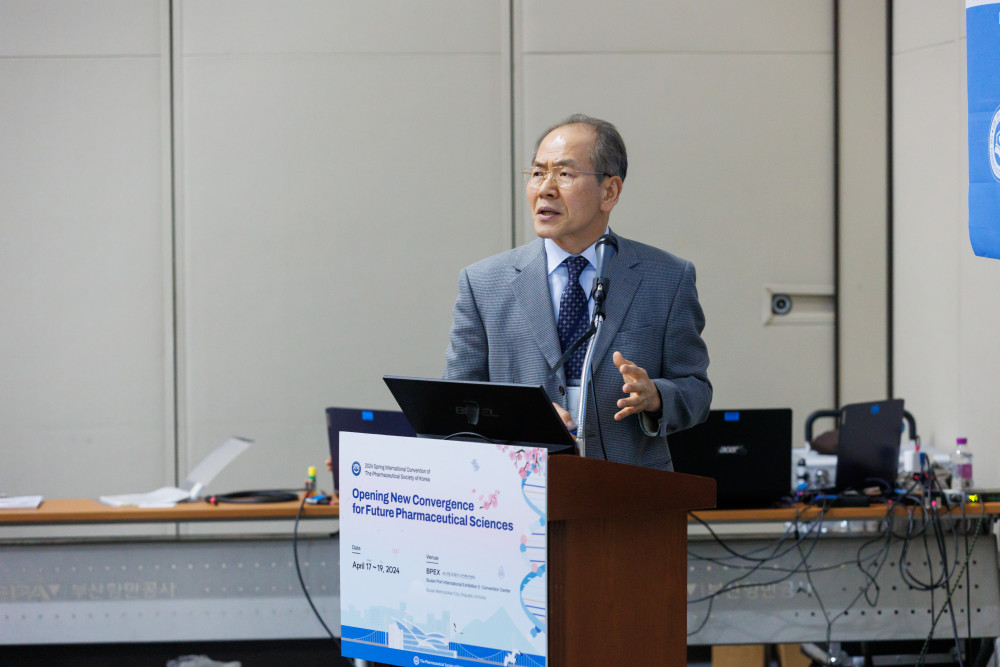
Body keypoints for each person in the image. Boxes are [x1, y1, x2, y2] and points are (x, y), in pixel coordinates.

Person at [443, 114, 712, 470]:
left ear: (609, 191)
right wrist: (518, 419)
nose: (545, 189)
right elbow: (457, 403)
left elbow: (696, 391)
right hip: (518, 488)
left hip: (629, 490)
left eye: (565, 174)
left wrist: (657, 396)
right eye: (537, 173)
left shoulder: (667, 278)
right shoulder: (483, 283)